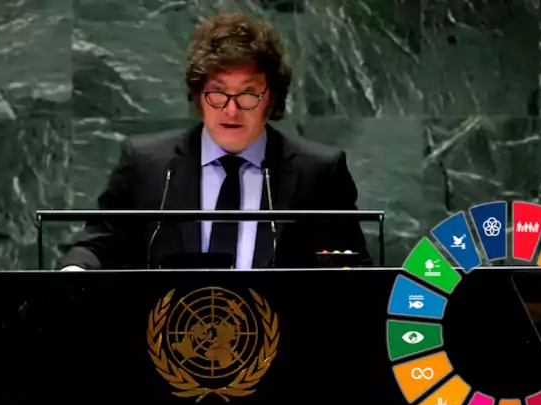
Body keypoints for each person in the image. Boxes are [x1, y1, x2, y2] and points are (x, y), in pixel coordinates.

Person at [60, 12, 371, 270]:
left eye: (247, 93)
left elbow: (353, 266)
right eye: (218, 92)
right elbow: (99, 244)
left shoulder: (318, 172)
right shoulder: (146, 165)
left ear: (272, 98)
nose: (231, 109)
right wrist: (75, 271)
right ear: (198, 94)